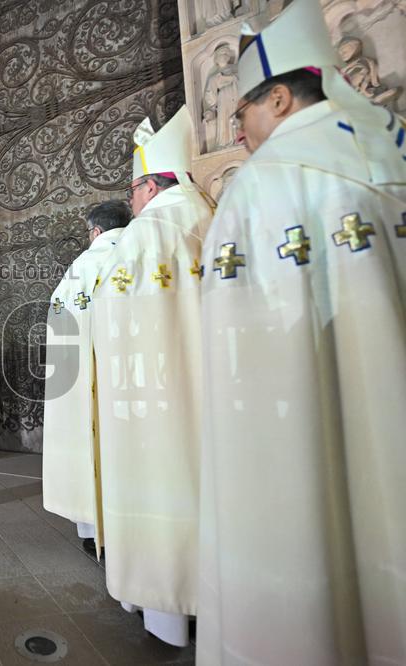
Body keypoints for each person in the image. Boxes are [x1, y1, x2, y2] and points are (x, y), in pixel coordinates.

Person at [198, 0, 406, 663]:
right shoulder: (389, 150)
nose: (239, 132)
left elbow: (242, 357)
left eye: (243, 114)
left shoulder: (262, 185)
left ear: (281, 98)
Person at [91, 106, 214, 647]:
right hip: (215, 397)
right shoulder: (211, 214)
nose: (132, 201)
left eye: (133, 189)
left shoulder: (146, 234)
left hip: (153, 399)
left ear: (149, 186)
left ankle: (165, 612)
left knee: (160, 483)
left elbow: (110, 327)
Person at [42, 200, 131, 553]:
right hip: (134, 385)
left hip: (87, 386)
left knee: (90, 448)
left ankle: (92, 529)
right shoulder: (145, 252)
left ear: (95, 231)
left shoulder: (81, 268)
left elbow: (61, 326)